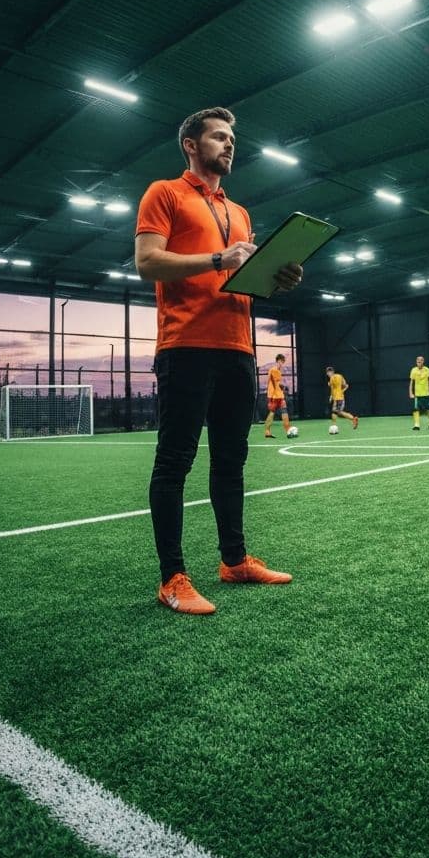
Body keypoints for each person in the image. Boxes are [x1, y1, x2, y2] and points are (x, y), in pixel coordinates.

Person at [135, 106, 302, 616]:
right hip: (185, 347)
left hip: (237, 350)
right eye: (219, 137)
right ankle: (172, 579)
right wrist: (218, 259)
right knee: (175, 463)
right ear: (191, 143)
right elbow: (146, 262)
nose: (230, 145)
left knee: (231, 462)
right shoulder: (164, 193)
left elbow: (240, 279)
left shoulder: (241, 211)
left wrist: (277, 278)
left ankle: (233, 561)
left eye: (232, 139)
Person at [263, 353, 292, 438]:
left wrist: (282, 388)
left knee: (284, 411)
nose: (282, 363)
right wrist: (283, 386)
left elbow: (276, 383)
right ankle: (267, 431)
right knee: (272, 413)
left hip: (279, 395)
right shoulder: (274, 370)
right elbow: (275, 384)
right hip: (274, 396)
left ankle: (288, 430)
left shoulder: (278, 371)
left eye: (283, 361)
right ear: (277, 361)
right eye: (281, 361)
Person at [409, 355, 429, 431]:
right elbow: (411, 382)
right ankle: (417, 425)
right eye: (418, 361)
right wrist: (411, 393)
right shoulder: (413, 370)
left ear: (423, 361)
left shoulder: (427, 370)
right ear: (416, 362)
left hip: (426, 393)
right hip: (417, 395)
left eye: (420, 361)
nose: (419, 362)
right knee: (416, 409)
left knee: (428, 409)